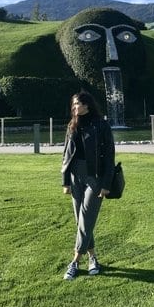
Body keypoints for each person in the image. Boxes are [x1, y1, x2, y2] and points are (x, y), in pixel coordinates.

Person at [61, 91, 115, 280]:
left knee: (86, 217)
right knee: (81, 220)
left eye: (79, 105)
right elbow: (66, 155)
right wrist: (65, 181)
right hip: (76, 175)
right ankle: (93, 258)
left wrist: (106, 184)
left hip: (96, 177)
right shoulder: (72, 125)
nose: (75, 108)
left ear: (88, 105)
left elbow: (109, 156)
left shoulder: (101, 125)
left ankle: (74, 261)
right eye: (73, 105)